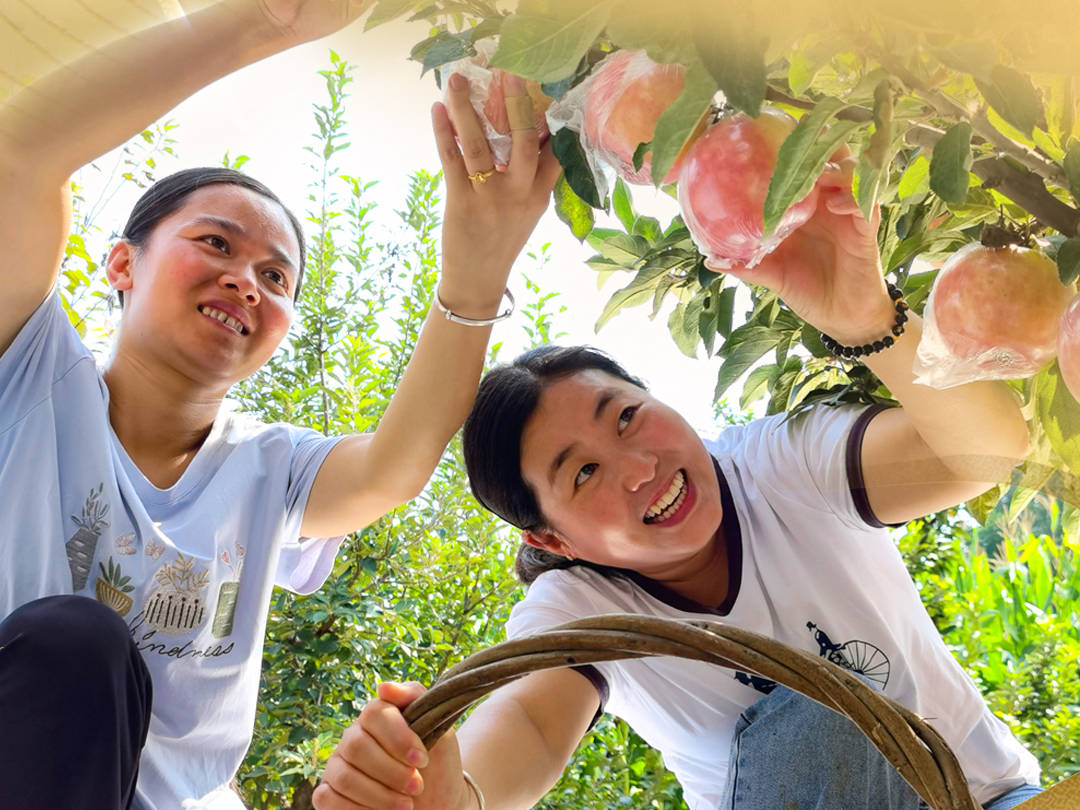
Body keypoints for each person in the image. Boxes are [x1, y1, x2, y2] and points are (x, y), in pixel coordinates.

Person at [313, 161, 1045, 810]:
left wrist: (866, 320)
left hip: (993, 795)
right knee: (824, 716)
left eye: (627, 417)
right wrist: (460, 796)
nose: (640, 469)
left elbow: (979, 456)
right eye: (586, 472)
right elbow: (532, 727)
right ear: (551, 539)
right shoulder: (580, 608)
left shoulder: (781, 470)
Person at [0, 1, 560, 808]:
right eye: (217, 244)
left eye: (277, 277)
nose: (245, 281)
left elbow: (394, 467)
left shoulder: (267, 470)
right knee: (73, 643)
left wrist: (481, 256)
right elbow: (20, 155)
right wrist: (264, 22)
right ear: (123, 263)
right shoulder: (30, 373)